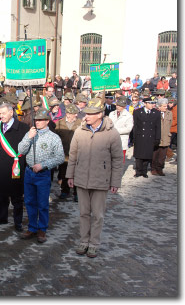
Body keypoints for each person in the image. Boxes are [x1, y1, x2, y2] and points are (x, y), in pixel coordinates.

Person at [66, 98, 123, 258]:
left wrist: (115, 181)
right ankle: (84, 241)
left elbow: (118, 159)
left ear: (100, 114)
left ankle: (94, 244)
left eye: (90, 113)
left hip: (100, 181)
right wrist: (70, 175)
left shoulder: (112, 133)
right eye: (86, 113)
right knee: (84, 213)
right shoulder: (80, 131)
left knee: (97, 215)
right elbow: (73, 155)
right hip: (81, 179)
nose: (86, 116)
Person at [18, 108, 64, 243]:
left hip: (43, 174)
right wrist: (28, 138)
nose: (37, 122)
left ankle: (42, 229)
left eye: (41, 120)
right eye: (36, 120)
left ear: (47, 121)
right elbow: (20, 150)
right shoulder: (30, 133)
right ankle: (32, 227)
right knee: (29, 201)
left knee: (42, 203)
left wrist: (43, 165)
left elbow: (60, 157)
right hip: (29, 172)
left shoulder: (54, 137)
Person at [0, 103, 29, 232]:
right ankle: (2, 216)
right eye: (0, 113)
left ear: (11, 112)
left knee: (17, 196)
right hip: (1, 165)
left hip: (15, 166)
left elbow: (26, 148)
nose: (1, 116)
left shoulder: (23, 127)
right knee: (1, 194)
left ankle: (18, 221)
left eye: (4, 113)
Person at [55, 103, 82, 202]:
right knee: (64, 173)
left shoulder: (81, 123)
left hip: (77, 153)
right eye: (74, 113)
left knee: (77, 174)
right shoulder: (59, 123)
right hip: (63, 153)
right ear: (68, 114)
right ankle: (64, 190)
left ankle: (77, 193)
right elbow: (56, 137)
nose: (76, 115)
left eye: (76, 113)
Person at [132, 97, 161, 178]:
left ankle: (144, 171)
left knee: (147, 155)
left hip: (150, 136)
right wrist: (134, 138)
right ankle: (138, 171)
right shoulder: (137, 112)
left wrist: (158, 138)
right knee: (139, 155)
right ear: (145, 103)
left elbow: (158, 127)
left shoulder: (156, 113)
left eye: (153, 103)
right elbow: (136, 126)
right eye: (150, 103)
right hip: (140, 136)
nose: (152, 105)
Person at [151, 98, 173, 176]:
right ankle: (153, 168)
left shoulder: (169, 113)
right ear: (159, 106)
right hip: (157, 137)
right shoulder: (155, 113)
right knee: (155, 154)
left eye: (166, 106)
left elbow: (170, 124)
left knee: (162, 155)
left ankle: (160, 169)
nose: (166, 107)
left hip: (166, 137)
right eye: (164, 106)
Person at [109, 96, 134, 163]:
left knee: (120, 159)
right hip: (111, 139)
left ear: (124, 106)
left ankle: (119, 172)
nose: (118, 107)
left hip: (122, 139)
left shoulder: (128, 116)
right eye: (117, 105)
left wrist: (116, 130)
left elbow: (128, 128)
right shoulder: (112, 114)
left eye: (120, 106)